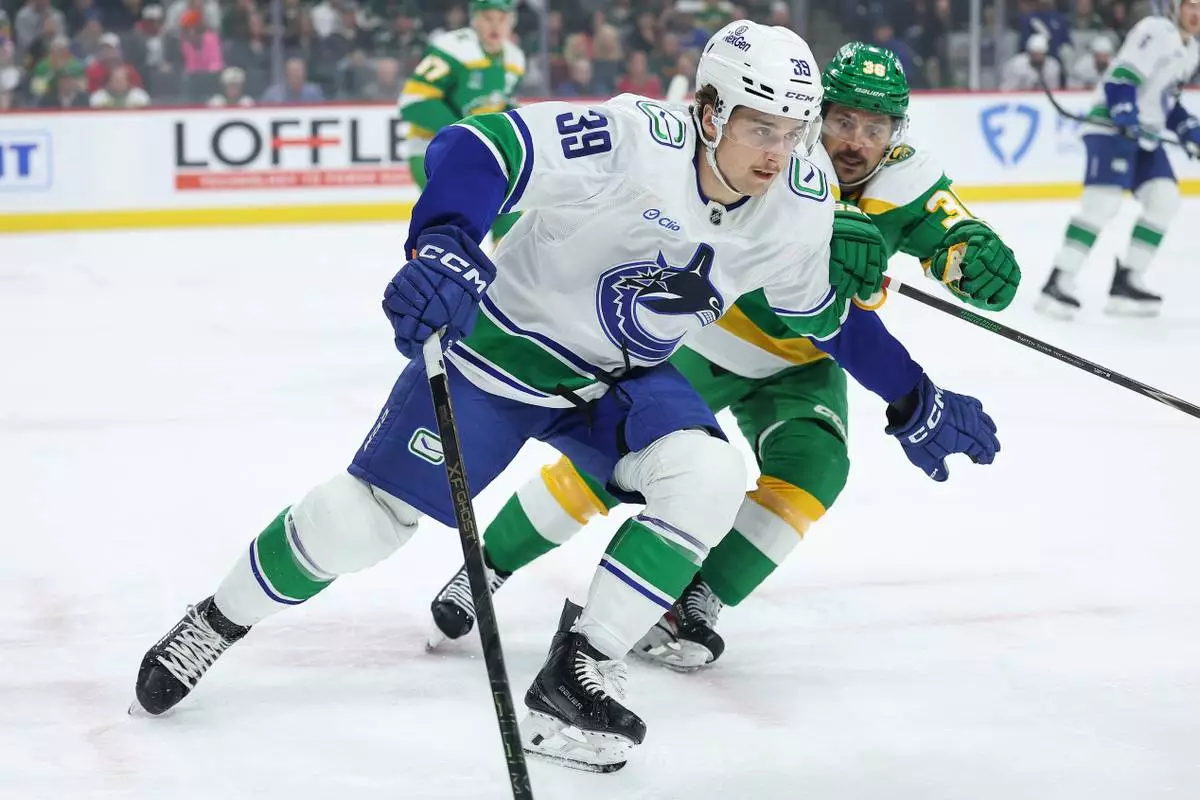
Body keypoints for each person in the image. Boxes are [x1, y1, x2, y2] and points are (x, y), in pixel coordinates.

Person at [131, 22, 1000, 772]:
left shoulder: (797, 201)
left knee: (704, 475)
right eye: (760, 127)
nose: (779, 153)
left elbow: (824, 319)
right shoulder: (635, 137)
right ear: (709, 111)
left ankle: (575, 671)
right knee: (364, 523)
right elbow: (479, 148)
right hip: (506, 352)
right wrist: (443, 242)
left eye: (794, 131)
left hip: (620, 380)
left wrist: (912, 395)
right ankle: (216, 620)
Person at [426, 42, 1020, 675]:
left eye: (876, 128)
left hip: (802, 359)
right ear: (817, 115)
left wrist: (969, 253)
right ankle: (486, 565)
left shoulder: (906, 175)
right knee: (606, 468)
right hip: (708, 341)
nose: (856, 141)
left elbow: (948, 229)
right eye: (844, 120)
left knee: (816, 469)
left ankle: (692, 600)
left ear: (896, 133)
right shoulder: (776, 159)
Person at [1039, 0, 1200, 318]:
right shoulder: (1156, 30)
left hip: (1145, 136)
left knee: (1164, 199)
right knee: (1102, 204)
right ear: (1175, 7)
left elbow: (1167, 103)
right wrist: (1125, 115)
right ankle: (1059, 280)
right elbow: (1122, 78)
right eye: (1191, 5)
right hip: (1111, 127)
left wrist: (1190, 131)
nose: (1197, 13)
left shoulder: (1192, 49)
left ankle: (1127, 279)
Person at [398, 0, 524, 242]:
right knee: (460, 220)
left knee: (509, 216)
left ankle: (505, 266)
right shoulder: (453, 49)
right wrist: (467, 133)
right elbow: (413, 102)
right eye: (488, 18)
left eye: (502, 19)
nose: (495, 26)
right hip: (432, 151)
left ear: (512, 23)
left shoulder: (514, 59)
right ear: (475, 20)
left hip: (479, 152)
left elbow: (501, 104)